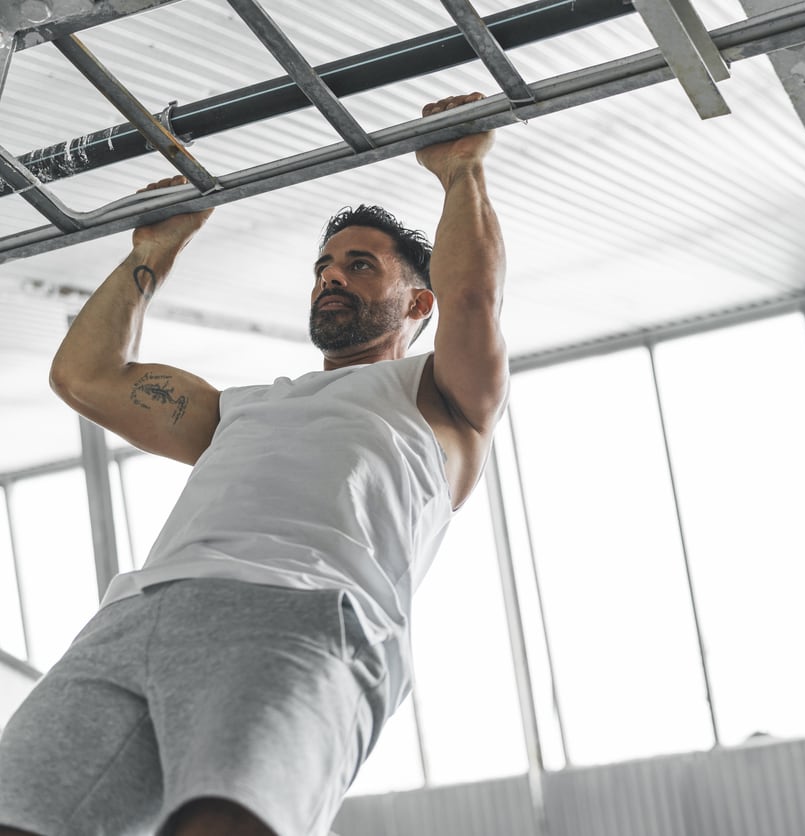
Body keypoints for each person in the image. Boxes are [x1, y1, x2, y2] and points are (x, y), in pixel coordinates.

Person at [0, 92, 507, 836]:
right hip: (133, 621)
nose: (331, 276)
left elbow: (473, 297)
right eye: (324, 265)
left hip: (301, 616)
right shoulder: (234, 408)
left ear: (414, 303)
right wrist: (150, 254)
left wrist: (461, 172)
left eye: (360, 265)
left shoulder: (440, 397)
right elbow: (87, 377)